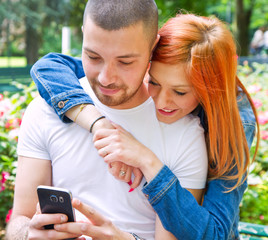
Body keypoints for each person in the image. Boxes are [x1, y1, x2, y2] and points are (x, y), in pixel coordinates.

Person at [18, 9, 259, 240]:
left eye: (180, 92)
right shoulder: (123, 72)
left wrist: (148, 161)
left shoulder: (233, 120)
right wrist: (100, 125)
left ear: (209, 90)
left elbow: (214, 235)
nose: (161, 102)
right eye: (153, 82)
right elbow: (49, 67)